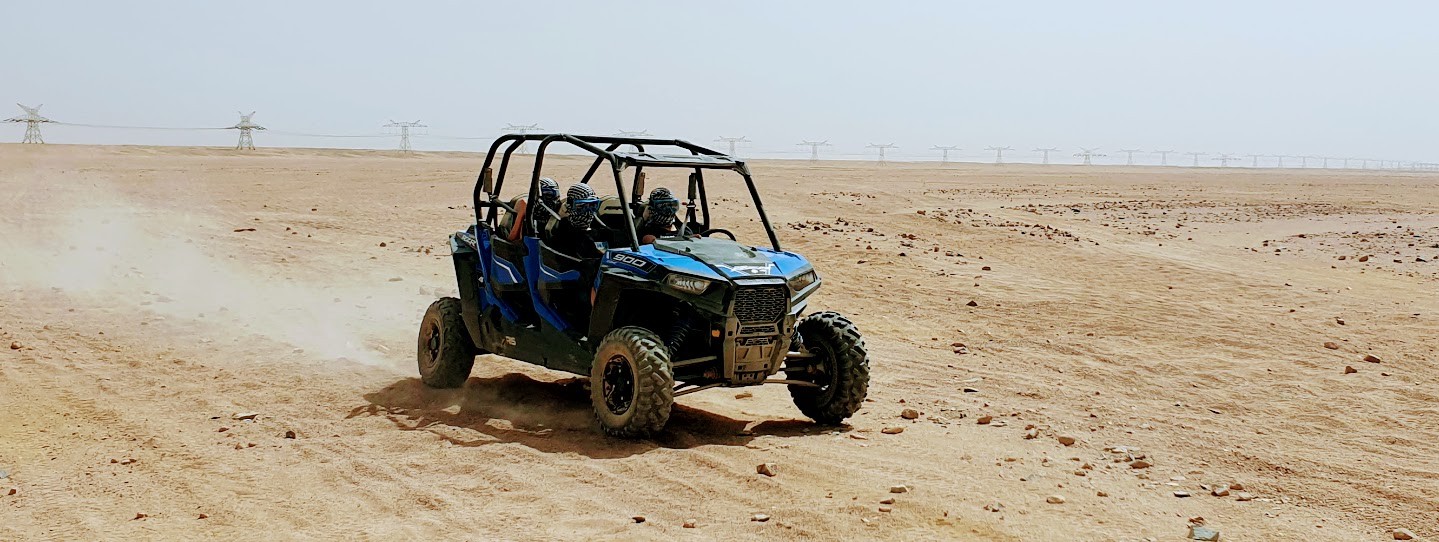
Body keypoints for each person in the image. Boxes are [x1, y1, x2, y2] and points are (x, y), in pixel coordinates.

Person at [549, 183, 605, 260]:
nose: (588, 213)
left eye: (592, 206)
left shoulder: (598, 228)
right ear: (569, 207)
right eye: (581, 207)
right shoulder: (563, 237)